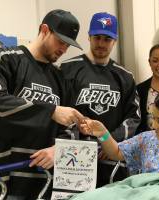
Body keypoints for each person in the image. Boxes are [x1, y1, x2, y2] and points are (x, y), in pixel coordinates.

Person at [0, 9, 85, 199]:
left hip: (45, 182)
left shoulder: (61, 78)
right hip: (5, 176)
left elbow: (72, 124)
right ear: (44, 30)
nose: (64, 49)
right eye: (61, 41)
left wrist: (59, 149)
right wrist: (51, 110)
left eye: (68, 45)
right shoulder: (5, 58)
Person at [60, 12, 141, 187]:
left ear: (115, 40)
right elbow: (58, 111)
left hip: (111, 158)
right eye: (97, 37)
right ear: (89, 37)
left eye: (107, 39)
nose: (101, 44)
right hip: (75, 158)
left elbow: (133, 117)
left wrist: (109, 140)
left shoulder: (125, 76)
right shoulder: (67, 69)